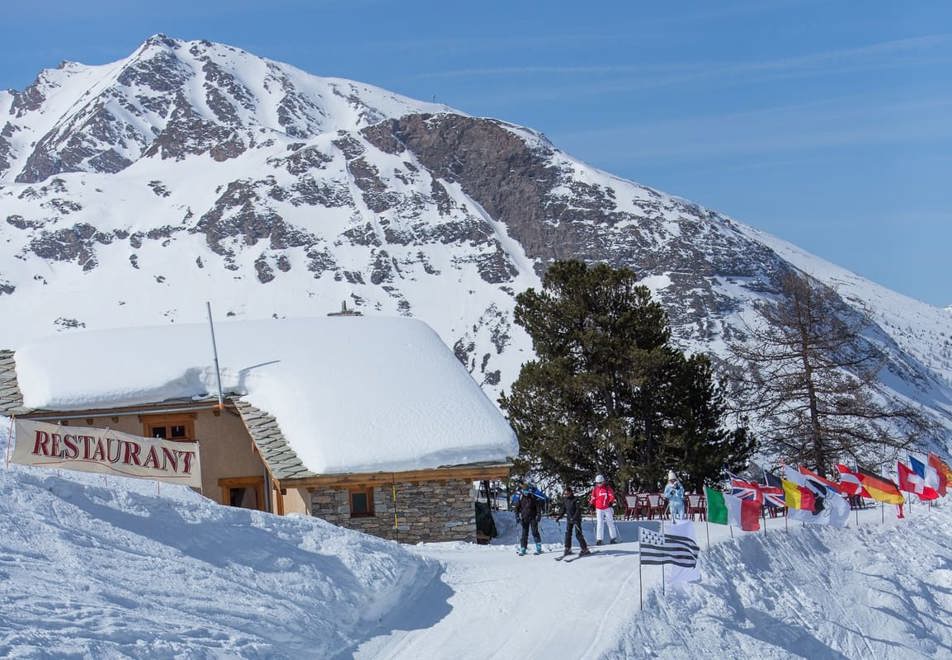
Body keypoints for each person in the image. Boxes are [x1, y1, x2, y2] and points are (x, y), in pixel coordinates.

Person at [513, 482, 548, 555]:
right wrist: (517, 517)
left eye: (527, 490)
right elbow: (516, 508)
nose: (526, 492)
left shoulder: (533, 497)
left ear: (529, 490)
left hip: (533, 518)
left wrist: (539, 516)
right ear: (522, 491)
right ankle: (523, 549)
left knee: (535, 532)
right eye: (524, 491)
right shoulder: (520, 498)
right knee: (524, 534)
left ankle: (538, 548)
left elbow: (538, 508)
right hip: (524, 518)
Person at [556, 486, 591, 557]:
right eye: (565, 494)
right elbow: (563, 509)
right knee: (568, 534)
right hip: (569, 519)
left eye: (567, 493)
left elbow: (578, 510)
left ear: (571, 492)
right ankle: (567, 548)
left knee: (578, 534)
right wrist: (559, 516)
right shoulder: (565, 500)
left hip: (576, 519)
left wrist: (574, 518)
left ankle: (585, 549)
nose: (566, 495)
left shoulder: (576, 499)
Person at [589, 474, 619, 545]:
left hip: (607, 508)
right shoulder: (595, 489)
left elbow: (612, 496)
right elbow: (593, 498)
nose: (599, 484)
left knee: (610, 522)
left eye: (600, 483)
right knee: (600, 523)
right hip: (599, 508)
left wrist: (610, 503)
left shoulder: (607, 488)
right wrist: (591, 505)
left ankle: (613, 538)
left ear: (603, 482)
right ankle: (599, 539)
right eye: (597, 483)